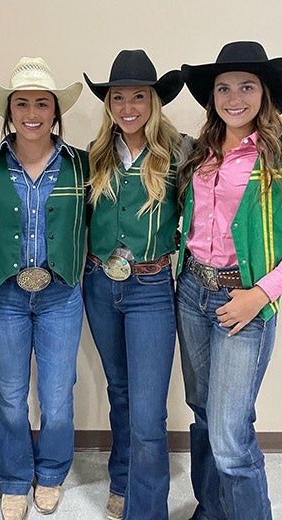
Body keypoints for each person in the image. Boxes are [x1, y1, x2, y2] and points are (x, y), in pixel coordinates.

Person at [176, 41, 282, 520]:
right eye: (223, 87)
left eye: (246, 86)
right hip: (192, 293)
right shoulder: (200, 153)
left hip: (244, 304)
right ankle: (213, 509)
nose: (233, 96)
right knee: (203, 415)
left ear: (265, 94)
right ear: (212, 97)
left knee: (229, 433)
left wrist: (259, 294)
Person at [0, 57, 88, 520]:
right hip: (3, 295)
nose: (32, 112)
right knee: (9, 394)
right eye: (21, 102)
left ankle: (52, 472)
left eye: (43, 102)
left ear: (56, 110)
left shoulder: (81, 164)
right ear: (9, 110)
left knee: (59, 396)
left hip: (61, 294)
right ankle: (16, 479)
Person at [82, 49, 185, 520]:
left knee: (148, 412)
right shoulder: (95, 156)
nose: (127, 107)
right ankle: (122, 478)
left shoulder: (179, 151)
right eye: (118, 97)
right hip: (101, 285)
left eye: (138, 97)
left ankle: (147, 510)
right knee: (119, 391)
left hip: (151, 288)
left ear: (153, 100)